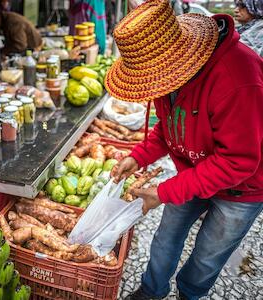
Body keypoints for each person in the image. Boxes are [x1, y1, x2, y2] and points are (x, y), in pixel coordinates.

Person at [106, 0, 263, 299]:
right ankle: (152, 290)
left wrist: (164, 192)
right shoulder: (169, 79)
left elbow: (237, 161)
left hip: (244, 189)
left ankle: (189, 294)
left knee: (207, 257)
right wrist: (137, 157)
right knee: (165, 237)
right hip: (193, 171)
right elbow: (168, 128)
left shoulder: (238, 78)